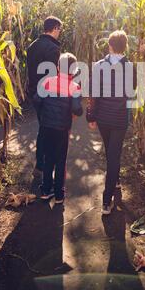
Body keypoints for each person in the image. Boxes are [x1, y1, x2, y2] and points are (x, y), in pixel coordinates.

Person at [86, 30, 136, 215]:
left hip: (103, 119)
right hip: (120, 118)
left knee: (111, 151)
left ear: (109, 46)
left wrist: (91, 117)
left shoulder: (99, 66)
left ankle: (113, 184)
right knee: (114, 155)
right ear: (125, 47)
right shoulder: (131, 67)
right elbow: (132, 92)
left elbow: (92, 92)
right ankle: (107, 202)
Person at [36, 52, 83, 204]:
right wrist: (78, 111)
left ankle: (45, 190)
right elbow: (77, 109)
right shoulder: (74, 87)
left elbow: (37, 100)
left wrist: (44, 113)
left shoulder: (47, 82)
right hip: (62, 128)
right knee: (61, 160)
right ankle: (59, 195)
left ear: (57, 67)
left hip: (46, 126)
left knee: (48, 157)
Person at [27, 16, 62, 179]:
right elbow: (51, 76)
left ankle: (41, 165)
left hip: (34, 92)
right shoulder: (53, 48)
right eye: (59, 29)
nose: (60, 33)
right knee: (46, 129)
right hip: (46, 95)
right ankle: (42, 166)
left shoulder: (32, 46)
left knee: (43, 127)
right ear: (55, 28)